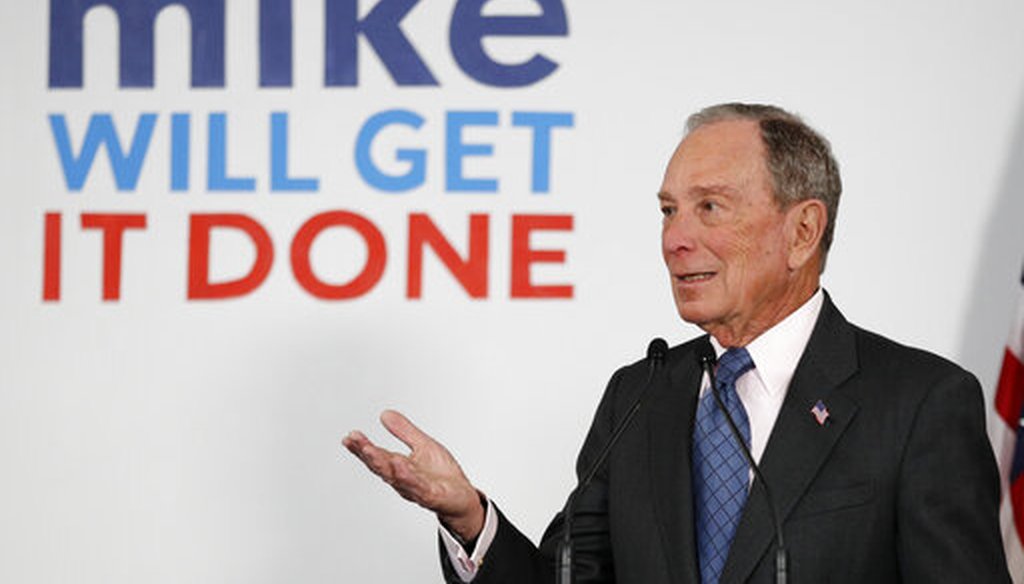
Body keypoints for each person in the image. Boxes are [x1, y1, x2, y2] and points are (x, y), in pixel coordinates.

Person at [343, 103, 1011, 583]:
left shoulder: (919, 402)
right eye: (668, 211)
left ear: (803, 231)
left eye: (710, 207)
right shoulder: (641, 396)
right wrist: (470, 517)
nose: (674, 239)